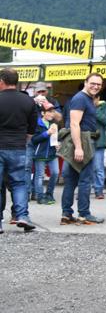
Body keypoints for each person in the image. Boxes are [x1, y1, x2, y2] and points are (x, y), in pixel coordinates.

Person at [60, 72, 106, 225]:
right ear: (85, 82)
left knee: (71, 180)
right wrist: (79, 148)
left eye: (99, 84)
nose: (96, 86)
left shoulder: (86, 98)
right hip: (82, 142)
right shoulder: (80, 98)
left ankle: (67, 215)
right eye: (93, 83)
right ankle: (84, 215)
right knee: (85, 180)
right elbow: (74, 124)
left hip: (80, 141)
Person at [0, 67, 37, 231]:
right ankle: (22, 216)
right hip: (18, 148)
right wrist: (24, 139)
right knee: (19, 183)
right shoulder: (28, 101)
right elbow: (32, 128)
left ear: (2, 81)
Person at [91, 96, 106, 199]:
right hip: (86, 141)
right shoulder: (84, 104)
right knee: (86, 168)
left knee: (98, 168)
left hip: (99, 142)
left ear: (98, 98)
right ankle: (85, 189)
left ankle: (99, 190)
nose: (92, 100)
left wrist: (95, 109)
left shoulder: (105, 107)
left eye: (94, 98)